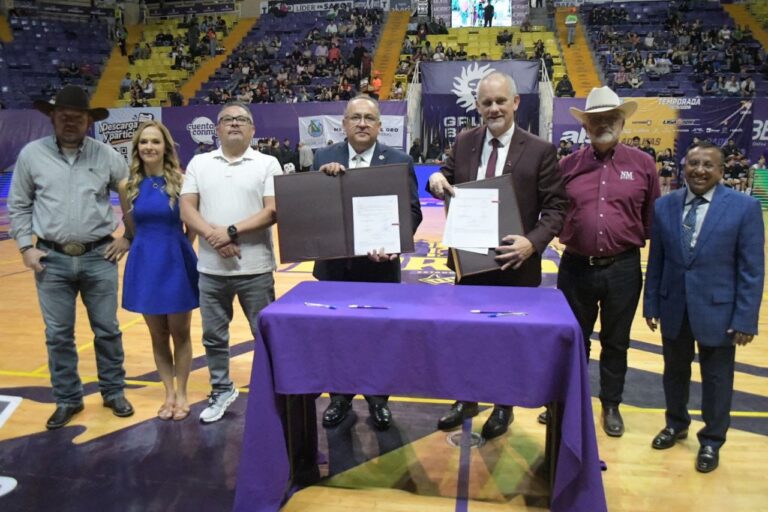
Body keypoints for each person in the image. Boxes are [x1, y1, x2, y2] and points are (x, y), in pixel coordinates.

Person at [427, 72, 568, 440]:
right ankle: (465, 398)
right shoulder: (464, 142)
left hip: (515, 265)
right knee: (465, 336)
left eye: (500, 101)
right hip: (469, 262)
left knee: (507, 340)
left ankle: (503, 405)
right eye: (486, 103)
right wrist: (436, 181)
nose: (493, 109)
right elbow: (445, 174)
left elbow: (556, 209)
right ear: (477, 106)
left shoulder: (540, 150)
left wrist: (532, 243)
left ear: (516, 102)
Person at [8, 85, 134, 430]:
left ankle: (113, 391)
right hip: (51, 258)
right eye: (63, 116)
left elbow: (131, 197)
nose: (70, 123)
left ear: (88, 121)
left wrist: (128, 237)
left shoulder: (107, 155)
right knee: (58, 334)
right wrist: (24, 247)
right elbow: (19, 204)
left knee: (107, 329)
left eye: (77, 118)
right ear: (52, 117)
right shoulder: (32, 156)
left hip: (100, 256)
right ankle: (67, 399)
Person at [644, 141, 764, 473]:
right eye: (693, 163)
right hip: (674, 307)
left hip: (719, 312)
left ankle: (711, 440)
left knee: (717, 380)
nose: (699, 170)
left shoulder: (744, 207)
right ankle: (675, 424)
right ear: (683, 167)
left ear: (721, 171)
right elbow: (657, 261)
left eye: (707, 165)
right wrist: (651, 302)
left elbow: (752, 270)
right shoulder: (665, 205)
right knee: (674, 374)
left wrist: (745, 318)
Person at [312, 95, 423, 431]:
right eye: (355, 117)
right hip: (335, 269)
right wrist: (321, 182)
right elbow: (310, 208)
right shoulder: (324, 157)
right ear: (344, 123)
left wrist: (394, 244)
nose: (362, 123)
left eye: (369, 118)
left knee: (379, 337)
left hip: (380, 268)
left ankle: (379, 399)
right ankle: (340, 398)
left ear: (379, 125)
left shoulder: (399, 160)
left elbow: (413, 211)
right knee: (338, 337)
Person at [557, 86, 660, 436]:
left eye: (610, 118)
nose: (603, 124)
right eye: (596, 120)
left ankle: (611, 404)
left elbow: (651, 220)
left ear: (621, 121)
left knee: (616, 341)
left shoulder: (644, 165)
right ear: (586, 126)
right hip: (575, 268)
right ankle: (569, 401)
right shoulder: (567, 166)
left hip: (624, 268)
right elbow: (551, 211)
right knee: (574, 340)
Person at [180, 101, 282, 423]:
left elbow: (273, 210)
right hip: (210, 270)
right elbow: (187, 209)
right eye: (227, 119)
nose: (234, 123)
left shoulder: (268, 163)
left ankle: (272, 391)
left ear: (253, 129)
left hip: (255, 269)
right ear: (217, 129)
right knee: (213, 336)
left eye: (242, 119)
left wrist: (230, 232)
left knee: (263, 334)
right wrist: (215, 237)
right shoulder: (199, 163)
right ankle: (221, 389)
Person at [119, 121, 199, 421]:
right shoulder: (127, 186)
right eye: (143, 142)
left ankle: (182, 393)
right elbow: (131, 228)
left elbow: (191, 224)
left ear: (165, 146)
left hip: (175, 260)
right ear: (137, 148)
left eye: (155, 141)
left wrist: (180, 247)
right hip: (144, 262)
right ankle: (168, 393)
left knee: (181, 332)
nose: (149, 147)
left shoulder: (181, 181)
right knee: (157, 335)